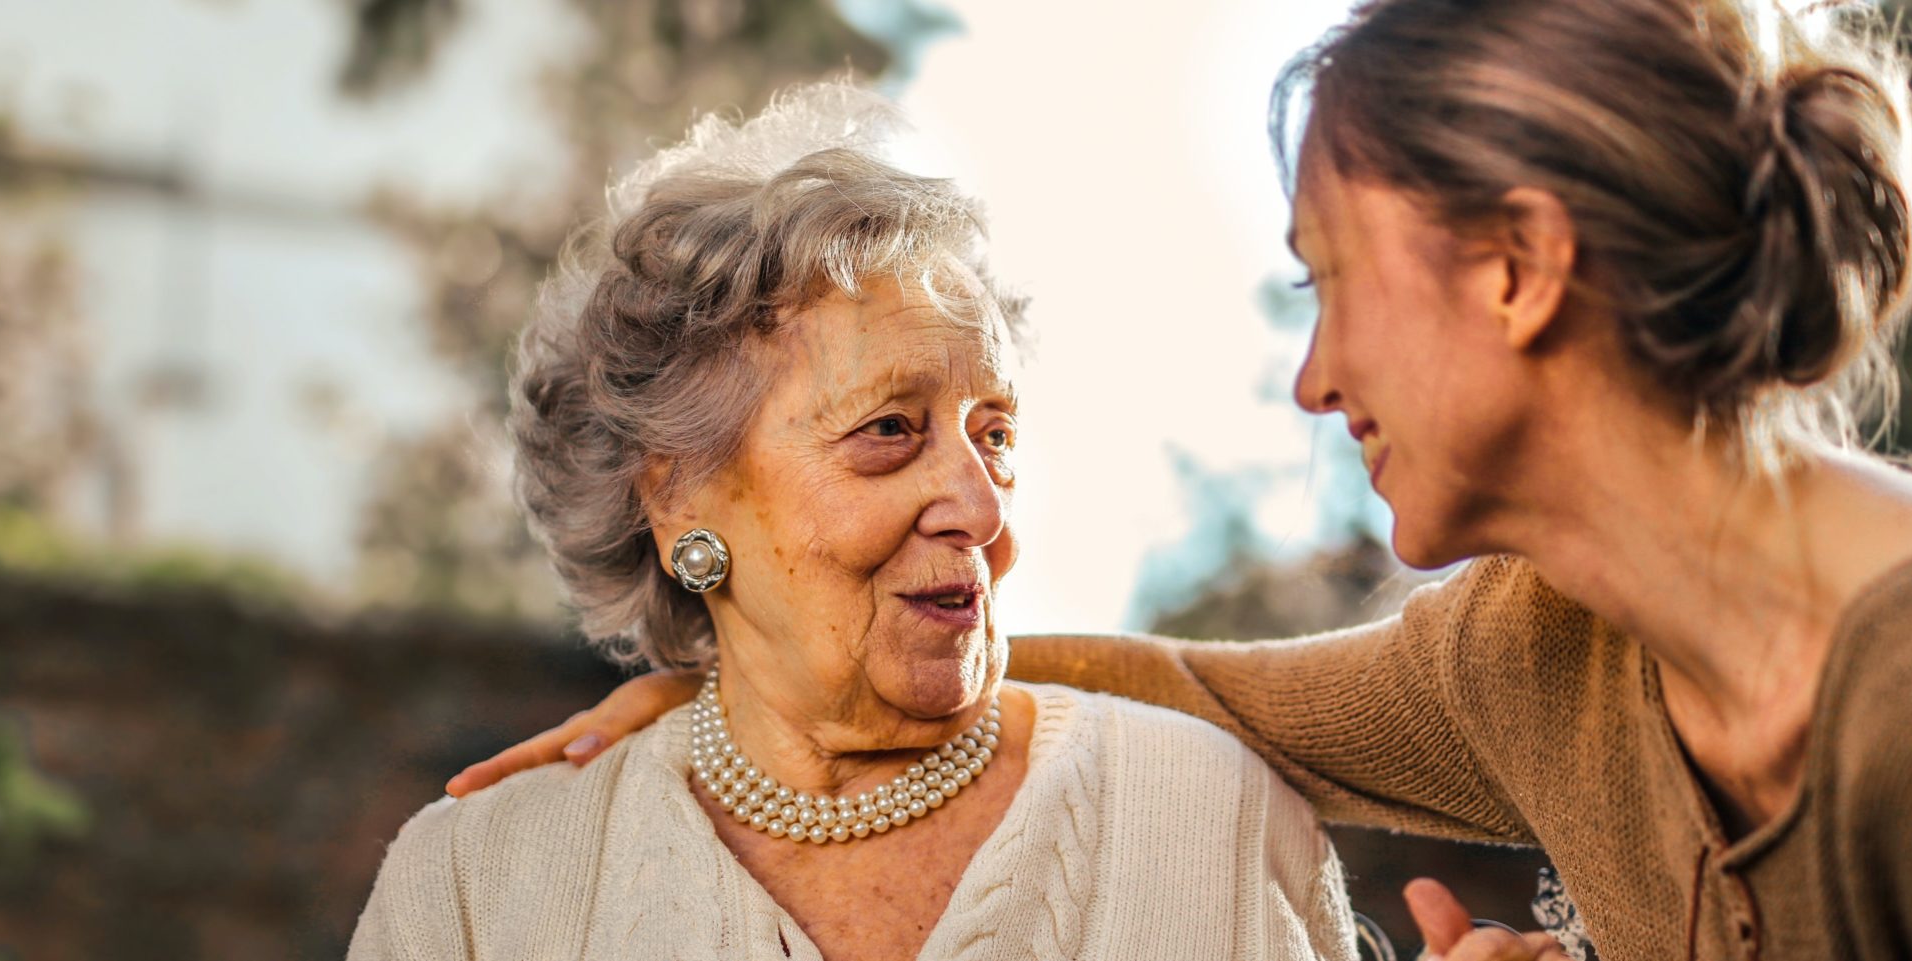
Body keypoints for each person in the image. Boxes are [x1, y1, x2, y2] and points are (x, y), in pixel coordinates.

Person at [442, 2, 1912, 959]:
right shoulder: (1548, 649)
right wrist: (727, 673)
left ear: (1520, 268)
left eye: (1329, 277)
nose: (1314, 374)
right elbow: (1199, 690)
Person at [346, 84, 1360, 961]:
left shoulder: (1210, 821)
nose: (980, 505)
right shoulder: (476, 890)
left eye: (994, 433)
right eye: (888, 429)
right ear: (677, 496)